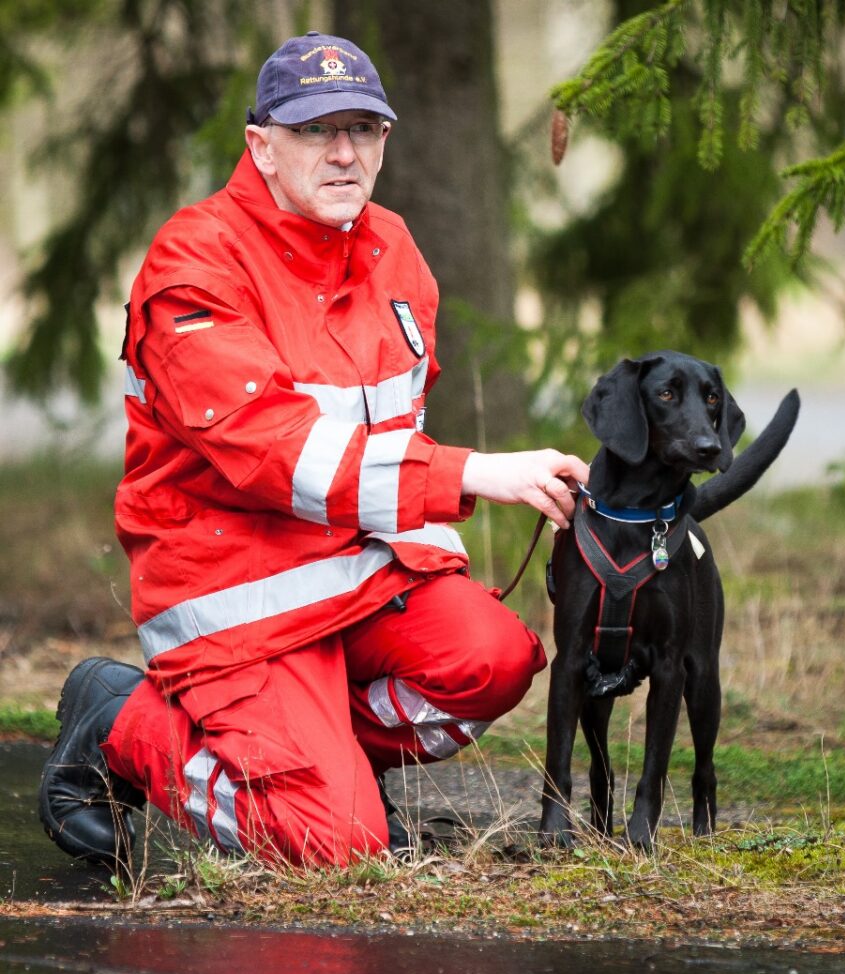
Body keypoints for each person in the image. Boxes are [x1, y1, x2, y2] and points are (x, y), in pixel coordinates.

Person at [38, 32, 588, 868]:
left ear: (385, 142)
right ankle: (119, 719)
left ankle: (326, 769)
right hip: (240, 599)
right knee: (338, 846)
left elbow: (395, 426)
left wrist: (435, 560)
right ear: (261, 146)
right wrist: (474, 473)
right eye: (314, 130)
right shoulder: (193, 263)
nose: (342, 153)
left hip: (359, 577)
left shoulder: (393, 247)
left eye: (362, 130)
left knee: (495, 660)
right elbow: (275, 450)